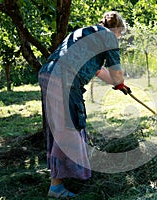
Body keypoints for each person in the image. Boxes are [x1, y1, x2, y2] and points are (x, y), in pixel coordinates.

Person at [38, 11, 131, 198]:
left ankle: (63, 177)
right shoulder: (108, 36)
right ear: (117, 29)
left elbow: (99, 71)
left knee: (60, 127)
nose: (119, 38)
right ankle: (56, 186)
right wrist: (119, 80)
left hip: (48, 74)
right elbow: (116, 73)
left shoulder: (85, 33)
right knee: (68, 128)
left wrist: (119, 85)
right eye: (120, 34)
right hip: (65, 79)